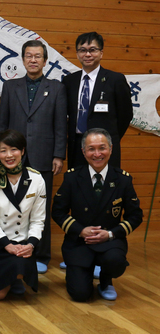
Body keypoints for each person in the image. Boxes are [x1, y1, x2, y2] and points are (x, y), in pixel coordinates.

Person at [0, 39, 67, 274]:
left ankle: (41, 254)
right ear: (23, 59)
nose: (33, 60)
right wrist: (1, 153)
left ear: (45, 61)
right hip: (12, 156)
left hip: (43, 155)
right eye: (29, 55)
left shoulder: (56, 88)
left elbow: (60, 125)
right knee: (10, 203)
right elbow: (3, 124)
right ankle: (11, 248)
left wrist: (58, 155)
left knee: (40, 207)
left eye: (38, 56)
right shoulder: (10, 86)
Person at [52, 128, 143, 301]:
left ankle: (106, 280)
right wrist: (80, 230)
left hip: (110, 242)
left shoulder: (123, 180)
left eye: (102, 148)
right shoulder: (72, 178)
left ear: (111, 148)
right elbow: (57, 211)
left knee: (115, 261)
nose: (97, 154)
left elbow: (135, 216)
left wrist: (110, 234)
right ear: (83, 151)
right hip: (80, 242)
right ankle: (78, 273)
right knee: (80, 294)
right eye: (91, 149)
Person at [0, 130, 46, 300]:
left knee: (16, 273)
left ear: (22, 151)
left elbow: (38, 219)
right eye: (3, 150)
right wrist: (7, 245)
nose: (9, 155)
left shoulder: (37, 179)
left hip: (22, 245)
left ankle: (16, 278)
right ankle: (11, 279)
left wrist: (31, 244)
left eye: (14, 149)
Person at [63, 32, 132, 170]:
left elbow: (125, 115)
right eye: (82, 50)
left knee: (105, 188)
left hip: (103, 149)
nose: (87, 54)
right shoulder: (69, 81)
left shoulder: (115, 80)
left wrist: (108, 139)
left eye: (92, 50)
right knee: (77, 187)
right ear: (77, 54)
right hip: (77, 147)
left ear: (101, 53)